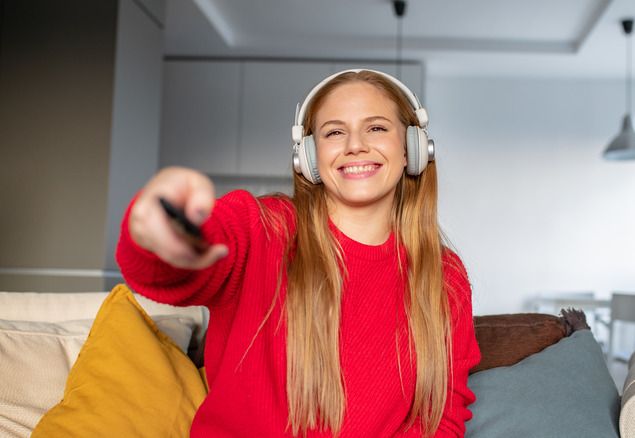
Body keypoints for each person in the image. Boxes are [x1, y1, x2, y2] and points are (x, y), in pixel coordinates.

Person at [116, 69, 481, 437]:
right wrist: (158, 232)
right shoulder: (266, 229)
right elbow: (176, 266)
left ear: (412, 149)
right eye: (334, 132)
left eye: (376, 128)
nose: (355, 144)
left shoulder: (445, 276)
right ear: (308, 157)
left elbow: (441, 417)